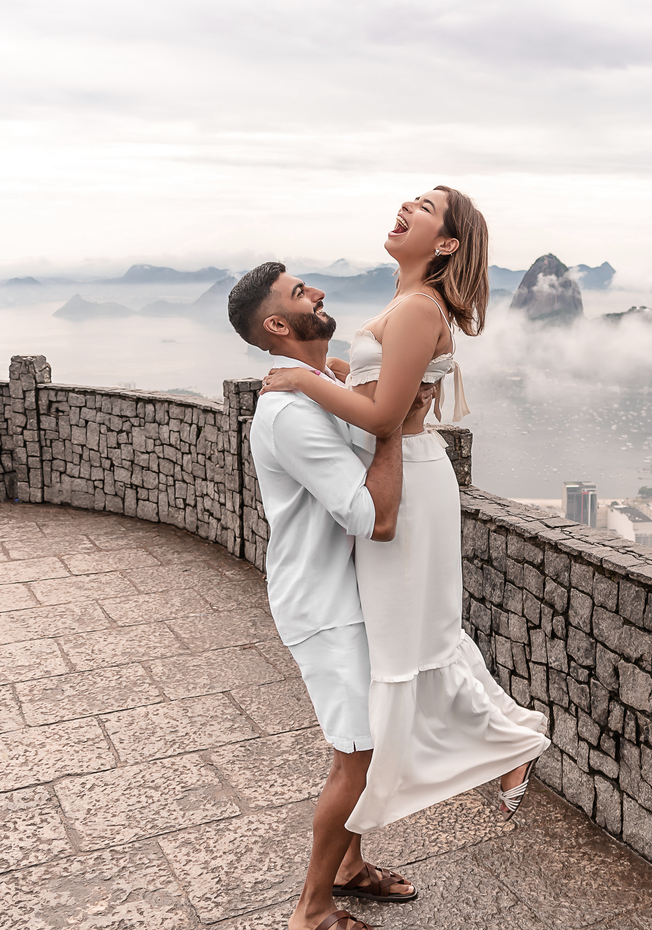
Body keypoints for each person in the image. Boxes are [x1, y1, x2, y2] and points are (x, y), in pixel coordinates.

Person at [258, 186, 550, 835]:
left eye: (425, 206)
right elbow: (381, 389)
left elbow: (387, 417)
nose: (407, 206)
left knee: (404, 644)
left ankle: (503, 746)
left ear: (445, 242)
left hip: (410, 485)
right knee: (423, 636)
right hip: (413, 477)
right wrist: (335, 371)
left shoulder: (419, 307)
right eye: (412, 197)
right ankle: (506, 744)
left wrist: (304, 380)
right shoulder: (410, 300)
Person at [229, 263, 434, 930]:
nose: (316, 289)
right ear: (279, 326)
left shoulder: (319, 384)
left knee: (360, 743)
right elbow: (369, 515)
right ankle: (311, 910)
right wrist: (394, 426)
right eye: (298, 293)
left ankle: (347, 867)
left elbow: (356, 394)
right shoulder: (290, 411)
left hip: (349, 596)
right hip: (323, 606)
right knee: (357, 757)